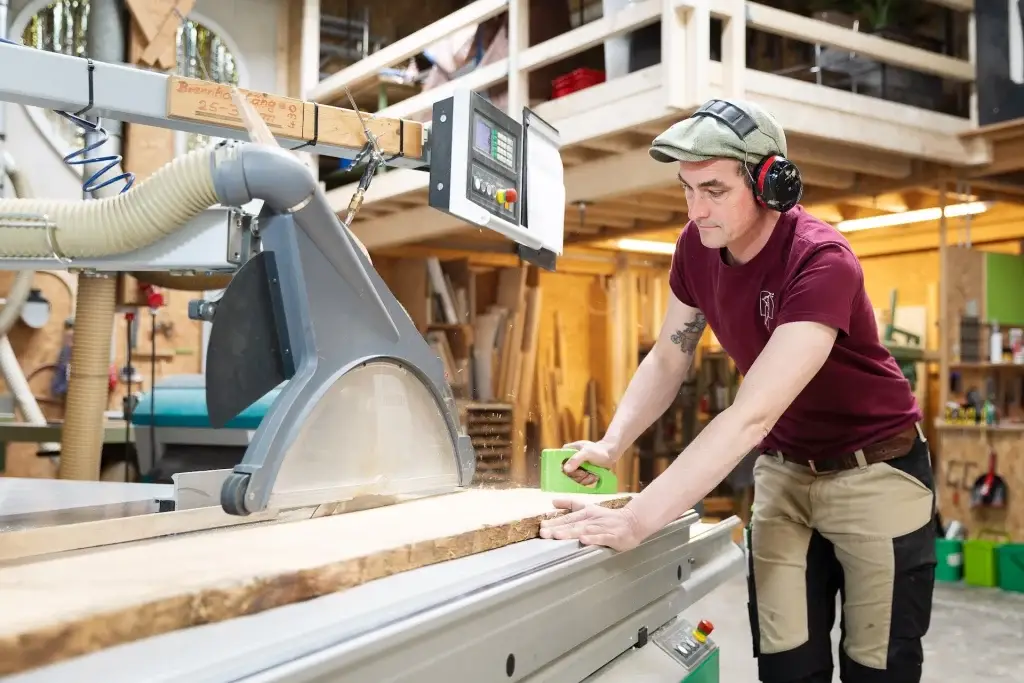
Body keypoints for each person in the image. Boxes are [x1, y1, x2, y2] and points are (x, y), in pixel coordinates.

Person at [538, 98, 936, 683]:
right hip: (785, 472)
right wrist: (612, 442)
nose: (696, 209)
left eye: (715, 190)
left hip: (874, 472)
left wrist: (638, 519)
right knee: (785, 663)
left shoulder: (822, 261)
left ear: (771, 183)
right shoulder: (694, 248)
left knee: (877, 666)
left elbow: (750, 416)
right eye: (687, 189)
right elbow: (670, 354)